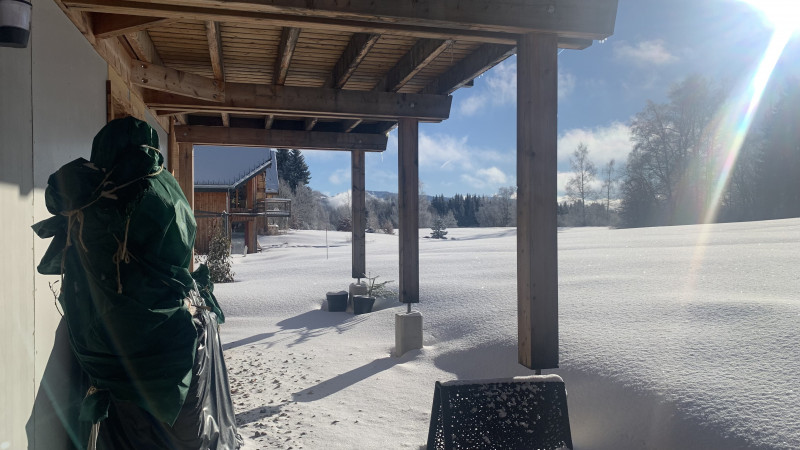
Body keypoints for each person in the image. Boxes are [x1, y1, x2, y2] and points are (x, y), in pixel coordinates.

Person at [31, 117, 241, 449]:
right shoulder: (166, 186)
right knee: (187, 434)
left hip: (131, 350)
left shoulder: (113, 195)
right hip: (183, 331)